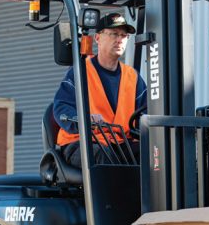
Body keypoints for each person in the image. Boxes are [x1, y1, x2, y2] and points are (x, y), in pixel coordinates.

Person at [52, 12, 147, 168]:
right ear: (97, 38)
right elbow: (61, 108)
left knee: (155, 155)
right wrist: (84, 120)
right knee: (104, 157)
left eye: (124, 36)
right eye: (114, 34)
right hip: (81, 142)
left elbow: (145, 110)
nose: (119, 40)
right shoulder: (80, 71)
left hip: (119, 142)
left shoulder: (132, 76)